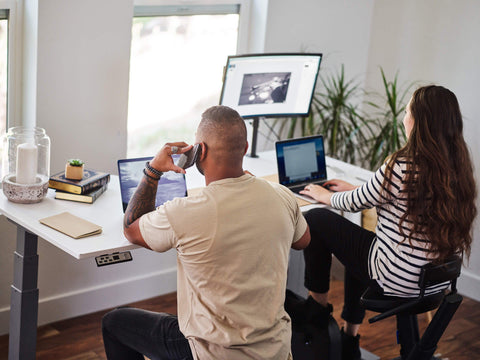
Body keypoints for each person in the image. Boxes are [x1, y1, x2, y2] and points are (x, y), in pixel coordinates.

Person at [102, 105, 311, 360]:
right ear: (245, 149)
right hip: (274, 351)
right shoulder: (281, 195)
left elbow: (131, 228)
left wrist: (154, 170)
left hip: (211, 353)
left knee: (115, 323)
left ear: (199, 151)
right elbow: (303, 240)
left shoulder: (185, 211)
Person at [296, 85, 477, 360]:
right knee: (362, 243)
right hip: (435, 282)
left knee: (317, 218)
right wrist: (358, 187)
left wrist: (323, 194)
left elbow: (355, 202)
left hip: (397, 279)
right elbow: (390, 195)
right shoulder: (457, 166)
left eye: (407, 112)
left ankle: (317, 309)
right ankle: (349, 338)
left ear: (419, 122)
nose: (404, 118)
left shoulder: (402, 164)